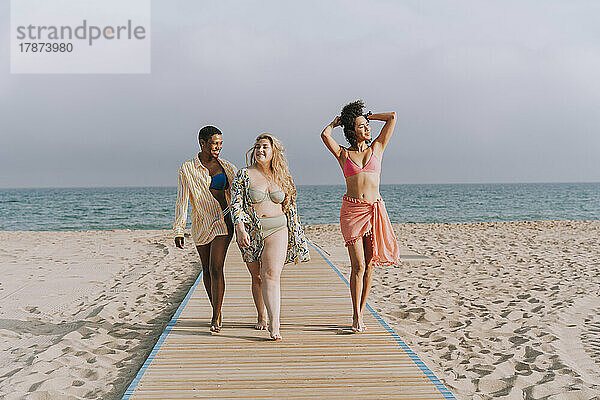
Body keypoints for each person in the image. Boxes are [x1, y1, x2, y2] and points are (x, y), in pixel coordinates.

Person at [320, 100, 400, 333]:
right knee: (358, 265)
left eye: (367, 125)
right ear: (351, 130)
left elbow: (392, 117)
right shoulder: (343, 155)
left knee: (370, 266)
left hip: (373, 210)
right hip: (352, 212)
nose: (367, 128)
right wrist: (336, 123)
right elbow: (325, 135)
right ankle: (355, 315)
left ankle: (361, 313)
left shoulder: (377, 148)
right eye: (361, 125)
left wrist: (368, 116)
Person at [231, 133, 310, 340]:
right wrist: (239, 227)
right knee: (257, 277)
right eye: (257, 147)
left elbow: (290, 206)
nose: (260, 150)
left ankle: (275, 323)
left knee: (271, 275)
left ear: (274, 151)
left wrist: (297, 234)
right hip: (251, 230)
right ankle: (261, 314)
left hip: (278, 228)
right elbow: (236, 203)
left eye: (265, 146)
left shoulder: (283, 176)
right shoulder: (244, 174)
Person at [173, 125, 237, 333]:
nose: (218, 147)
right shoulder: (187, 169)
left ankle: (216, 316)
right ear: (202, 143)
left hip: (223, 220)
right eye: (214, 143)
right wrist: (179, 230)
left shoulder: (228, 167)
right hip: (201, 223)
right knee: (207, 270)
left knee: (217, 266)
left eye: (220, 143)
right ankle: (216, 307)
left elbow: (239, 196)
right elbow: (182, 201)